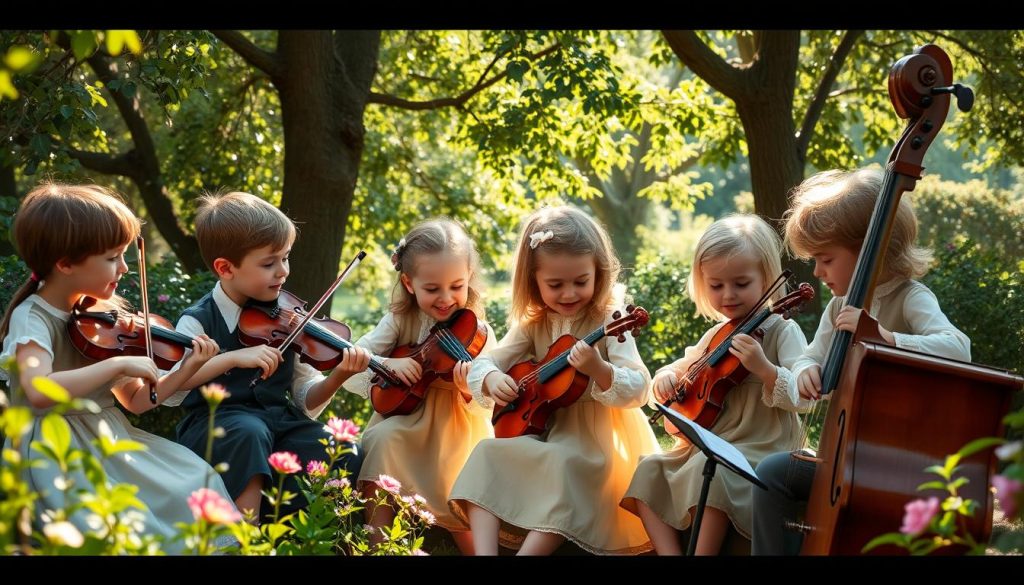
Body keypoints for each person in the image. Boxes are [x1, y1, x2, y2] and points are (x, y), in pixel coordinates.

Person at [0, 182, 236, 553]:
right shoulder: (33, 318)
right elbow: (37, 389)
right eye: (113, 257)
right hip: (56, 452)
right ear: (64, 263)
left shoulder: (100, 319)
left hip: (111, 437)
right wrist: (118, 364)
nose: (125, 268)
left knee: (195, 477)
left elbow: (138, 401)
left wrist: (186, 368)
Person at [751, 169, 971, 555]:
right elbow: (810, 355)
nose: (817, 272)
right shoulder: (839, 305)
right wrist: (806, 371)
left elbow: (958, 347)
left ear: (871, 249)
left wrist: (886, 338)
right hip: (840, 459)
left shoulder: (909, 297)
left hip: (895, 462)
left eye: (826, 259)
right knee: (771, 474)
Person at [448, 205, 660, 555]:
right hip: (547, 433)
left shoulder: (610, 318)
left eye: (581, 282)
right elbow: (484, 362)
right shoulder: (534, 323)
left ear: (599, 273)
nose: (568, 294)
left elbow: (640, 387)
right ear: (534, 280)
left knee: (562, 465)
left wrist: (600, 370)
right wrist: (490, 379)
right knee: (487, 451)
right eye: (555, 284)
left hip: (597, 443)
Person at [166, 191, 369, 522]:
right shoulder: (198, 320)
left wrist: (338, 376)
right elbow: (173, 391)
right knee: (249, 432)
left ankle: (311, 537)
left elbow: (305, 397)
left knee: (338, 447)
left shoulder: (287, 316)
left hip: (279, 421)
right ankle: (248, 537)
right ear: (225, 268)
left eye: (286, 258)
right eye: (269, 263)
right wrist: (233, 358)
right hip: (215, 425)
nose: (283, 271)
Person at [620, 214, 808, 555]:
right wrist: (666, 377)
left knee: (716, 474)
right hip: (713, 445)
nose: (728, 295)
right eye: (716, 285)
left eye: (741, 283)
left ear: (767, 276)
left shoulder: (782, 330)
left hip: (760, 450)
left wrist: (765, 369)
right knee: (649, 469)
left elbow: (805, 397)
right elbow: (682, 368)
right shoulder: (717, 334)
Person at [342, 218, 497, 554]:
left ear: (469, 278)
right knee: (384, 440)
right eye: (432, 289)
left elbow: (490, 398)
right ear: (409, 283)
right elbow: (354, 363)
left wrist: (470, 390)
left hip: (458, 426)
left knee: (457, 473)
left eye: (457, 286)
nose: (446, 298)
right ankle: (376, 543)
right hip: (404, 421)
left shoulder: (477, 330)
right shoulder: (400, 320)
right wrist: (387, 363)